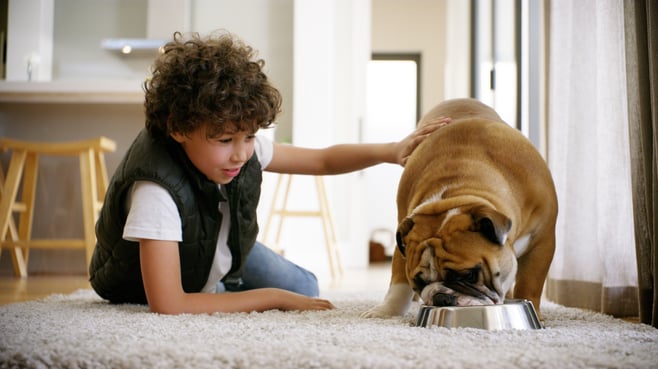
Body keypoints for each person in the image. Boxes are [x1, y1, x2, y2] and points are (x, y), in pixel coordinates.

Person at [89, 31, 450, 315]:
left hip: (217, 245)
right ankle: (221, 290)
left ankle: (222, 286)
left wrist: (391, 151)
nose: (241, 153)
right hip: (143, 279)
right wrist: (271, 298)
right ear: (179, 128)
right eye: (226, 139)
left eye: (249, 136)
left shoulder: (240, 148)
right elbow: (169, 305)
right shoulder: (156, 190)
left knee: (305, 288)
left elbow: (322, 160)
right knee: (281, 296)